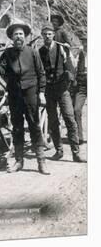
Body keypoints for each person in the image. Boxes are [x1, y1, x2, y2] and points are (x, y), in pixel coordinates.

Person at [0, 23, 49, 175]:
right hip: (14, 95)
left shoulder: (32, 52)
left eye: (20, 34)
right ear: (12, 38)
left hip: (31, 93)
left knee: (34, 125)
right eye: (15, 35)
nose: (18, 37)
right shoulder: (7, 53)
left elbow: (41, 73)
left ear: (24, 36)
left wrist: (41, 93)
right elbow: (1, 70)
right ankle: (19, 161)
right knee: (17, 127)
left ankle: (41, 161)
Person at [38, 24, 85, 163]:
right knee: (53, 121)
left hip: (63, 89)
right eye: (45, 34)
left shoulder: (62, 48)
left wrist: (69, 80)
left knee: (70, 119)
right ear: (42, 35)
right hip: (49, 90)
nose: (47, 36)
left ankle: (76, 153)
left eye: (49, 34)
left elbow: (71, 67)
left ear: (53, 35)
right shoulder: (40, 52)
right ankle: (59, 151)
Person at [72, 35, 87, 144]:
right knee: (76, 110)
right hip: (82, 84)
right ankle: (79, 137)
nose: (86, 44)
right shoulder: (79, 54)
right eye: (84, 42)